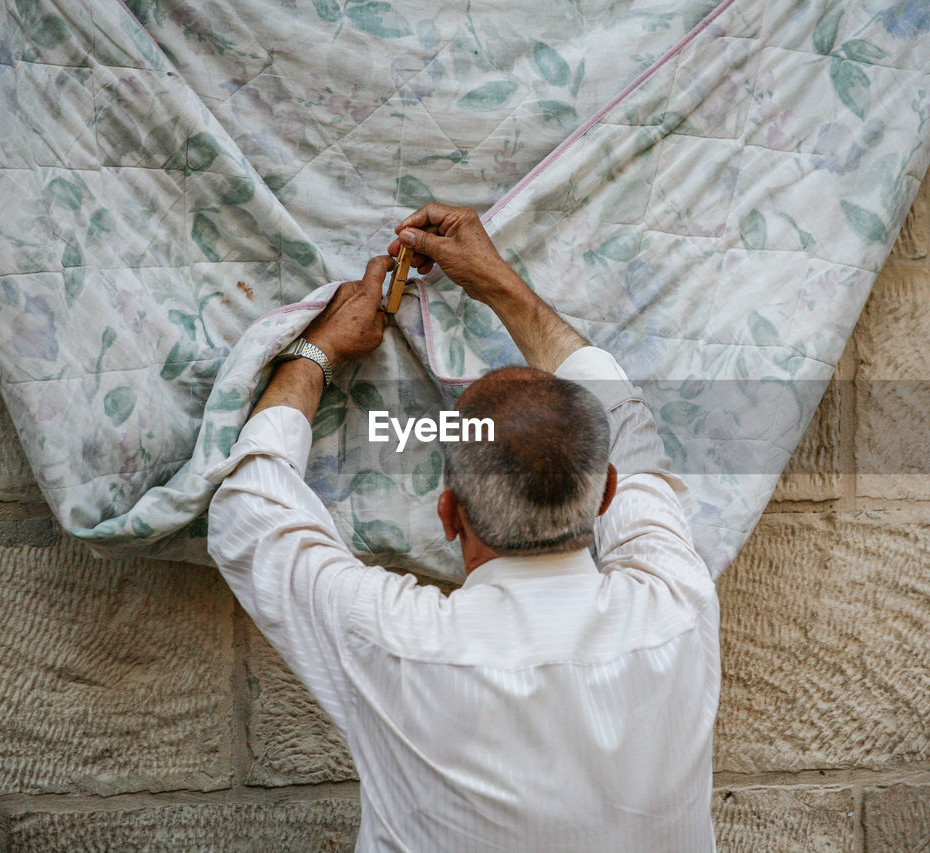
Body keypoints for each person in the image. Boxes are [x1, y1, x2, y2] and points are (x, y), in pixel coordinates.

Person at [207, 204, 720, 852]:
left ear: (448, 516)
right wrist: (497, 280)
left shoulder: (398, 640)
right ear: (608, 492)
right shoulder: (680, 599)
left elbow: (249, 508)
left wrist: (320, 347)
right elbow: (627, 422)